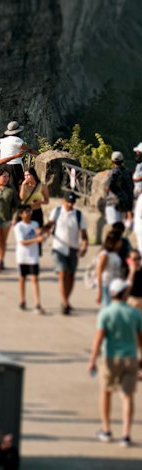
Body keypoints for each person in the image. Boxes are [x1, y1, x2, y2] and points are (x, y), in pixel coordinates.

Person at [88, 277, 142, 445]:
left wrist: (92, 360)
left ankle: (107, 429)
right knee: (127, 396)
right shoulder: (135, 313)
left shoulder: (105, 313)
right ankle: (126, 434)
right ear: (124, 293)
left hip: (110, 357)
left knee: (106, 392)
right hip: (130, 357)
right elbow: (141, 339)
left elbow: (98, 339)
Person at [49, 191, 89, 315]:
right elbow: (49, 225)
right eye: (68, 202)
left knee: (71, 276)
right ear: (63, 201)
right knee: (62, 274)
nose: (70, 205)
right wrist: (41, 232)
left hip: (73, 248)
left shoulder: (78, 215)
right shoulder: (56, 212)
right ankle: (65, 302)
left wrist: (84, 247)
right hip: (59, 248)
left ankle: (66, 299)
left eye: (72, 202)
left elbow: (84, 235)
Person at [14, 205, 45, 312]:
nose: (29, 213)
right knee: (22, 279)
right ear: (21, 214)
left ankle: (37, 303)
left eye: (30, 211)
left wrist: (43, 236)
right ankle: (22, 300)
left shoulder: (35, 224)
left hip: (33, 256)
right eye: (26, 212)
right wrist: (37, 239)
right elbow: (22, 242)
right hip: (22, 257)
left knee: (34, 279)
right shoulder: (19, 227)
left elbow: (42, 236)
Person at [95, 229, 125, 308]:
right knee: (108, 307)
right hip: (106, 285)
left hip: (115, 285)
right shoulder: (105, 255)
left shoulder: (115, 253)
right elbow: (99, 273)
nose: (121, 243)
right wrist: (99, 292)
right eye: (119, 240)